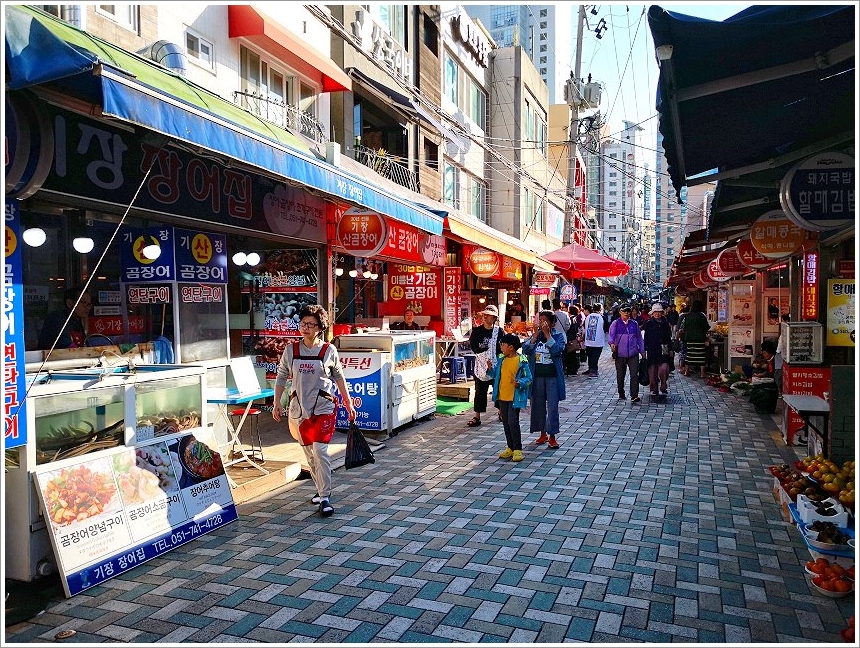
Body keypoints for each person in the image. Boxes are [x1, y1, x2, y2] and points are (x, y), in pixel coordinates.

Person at [273, 305, 356, 518]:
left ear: (320, 328)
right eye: (303, 323)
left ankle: (325, 497)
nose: (305, 328)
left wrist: (348, 402)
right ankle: (320, 491)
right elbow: (281, 376)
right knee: (309, 453)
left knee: (320, 450)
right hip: (299, 410)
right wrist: (276, 403)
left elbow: (339, 376)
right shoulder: (291, 350)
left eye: (311, 324)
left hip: (324, 407)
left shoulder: (329, 350)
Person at [522, 310, 567, 449]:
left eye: (544, 320)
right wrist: (535, 335)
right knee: (537, 406)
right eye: (540, 320)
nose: (542, 323)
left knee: (553, 407)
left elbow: (557, 350)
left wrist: (547, 334)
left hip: (552, 377)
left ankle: (552, 436)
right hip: (537, 377)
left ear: (552, 323)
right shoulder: (535, 336)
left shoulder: (559, 336)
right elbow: (525, 350)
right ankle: (542, 433)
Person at [486, 333, 532, 462]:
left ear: (511, 347)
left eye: (503, 345)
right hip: (502, 397)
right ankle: (510, 448)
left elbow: (528, 378)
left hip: (514, 398)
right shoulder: (502, 359)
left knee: (513, 422)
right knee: (506, 423)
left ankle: (518, 449)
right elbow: (495, 374)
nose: (501, 347)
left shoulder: (521, 361)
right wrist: (490, 369)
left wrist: (520, 383)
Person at [466, 304, 502, 427]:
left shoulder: (499, 331)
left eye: (489, 315)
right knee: (480, 391)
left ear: (494, 318)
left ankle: (500, 411)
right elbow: (474, 347)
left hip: (496, 365)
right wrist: (484, 357)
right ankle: (477, 416)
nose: (485, 317)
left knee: (498, 389)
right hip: (481, 366)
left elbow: (503, 348)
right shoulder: (476, 331)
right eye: (484, 315)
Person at [608, 304, 645, 403]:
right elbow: (611, 336)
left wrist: (642, 350)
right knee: (620, 375)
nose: (626, 313)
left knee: (634, 375)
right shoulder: (615, 323)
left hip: (633, 353)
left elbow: (639, 338)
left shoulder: (634, 323)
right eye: (624, 311)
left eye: (628, 310)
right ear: (620, 312)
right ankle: (621, 392)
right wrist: (611, 344)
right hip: (620, 354)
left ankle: (634, 395)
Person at [643, 303, 673, 399]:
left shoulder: (665, 323)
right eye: (655, 312)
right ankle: (653, 388)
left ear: (662, 313)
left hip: (664, 348)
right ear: (652, 313)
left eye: (659, 312)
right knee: (652, 370)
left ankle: (663, 386)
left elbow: (669, 337)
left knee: (664, 368)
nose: (657, 314)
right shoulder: (649, 323)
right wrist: (644, 349)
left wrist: (671, 349)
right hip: (652, 349)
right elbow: (645, 337)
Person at [678, 300, 711, 378]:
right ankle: (702, 374)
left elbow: (683, 328)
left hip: (689, 338)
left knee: (689, 354)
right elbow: (706, 327)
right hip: (700, 338)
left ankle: (686, 371)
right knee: (701, 355)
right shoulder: (702, 316)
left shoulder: (687, 316)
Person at [582, 302, 607, 377]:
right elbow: (606, 328)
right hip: (598, 341)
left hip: (589, 340)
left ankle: (590, 369)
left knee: (590, 356)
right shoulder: (602, 317)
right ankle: (593, 371)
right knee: (595, 356)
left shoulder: (588, 316)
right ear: (600, 309)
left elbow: (584, 326)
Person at [564, 305, 581, 375]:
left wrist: (569, 339)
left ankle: (571, 370)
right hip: (573, 338)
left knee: (570, 355)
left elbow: (571, 329)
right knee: (573, 355)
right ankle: (573, 369)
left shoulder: (571, 319)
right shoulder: (575, 318)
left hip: (570, 339)